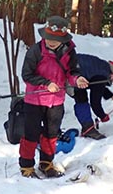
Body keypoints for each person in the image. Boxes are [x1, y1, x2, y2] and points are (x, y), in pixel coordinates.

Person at [19, 16, 88, 178]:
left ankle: (46, 163)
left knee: (52, 134)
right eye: (48, 37)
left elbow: (72, 72)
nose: (51, 41)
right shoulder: (35, 51)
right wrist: (46, 83)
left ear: (63, 38)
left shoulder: (69, 52)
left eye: (55, 39)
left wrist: (77, 79)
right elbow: (26, 75)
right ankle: (26, 166)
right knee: (31, 133)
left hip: (56, 101)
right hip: (34, 100)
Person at [72, 54, 113, 140]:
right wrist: (102, 116)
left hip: (71, 65)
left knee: (81, 95)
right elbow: (95, 102)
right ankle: (88, 129)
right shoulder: (102, 76)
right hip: (72, 74)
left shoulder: (101, 67)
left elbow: (97, 86)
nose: (111, 82)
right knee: (81, 99)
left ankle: (87, 128)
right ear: (112, 75)